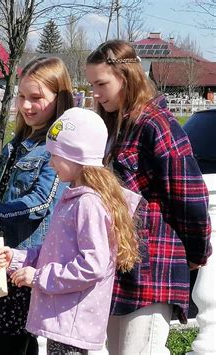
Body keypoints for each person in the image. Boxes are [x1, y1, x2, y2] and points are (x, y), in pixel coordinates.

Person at [85, 39, 212, 354]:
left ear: (126, 77)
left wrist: (197, 252)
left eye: (102, 84)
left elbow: (189, 195)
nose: (96, 93)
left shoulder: (157, 125)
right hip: (120, 265)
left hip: (154, 264)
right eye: (92, 85)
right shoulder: (115, 127)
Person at [0, 107, 142, 354]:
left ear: (77, 157)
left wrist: (38, 278)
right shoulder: (76, 198)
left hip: (71, 322)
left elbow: (92, 265)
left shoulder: (87, 203)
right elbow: (57, 251)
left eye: (55, 155)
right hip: (64, 318)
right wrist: (18, 258)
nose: (50, 163)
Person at [0, 57, 74, 355]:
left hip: (27, 260)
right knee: (10, 343)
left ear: (59, 100)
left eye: (37, 98)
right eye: (22, 96)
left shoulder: (55, 148)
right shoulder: (17, 142)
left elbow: (39, 203)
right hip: (2, 260)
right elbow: (3, 198)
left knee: (12, 345)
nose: (26, 105)